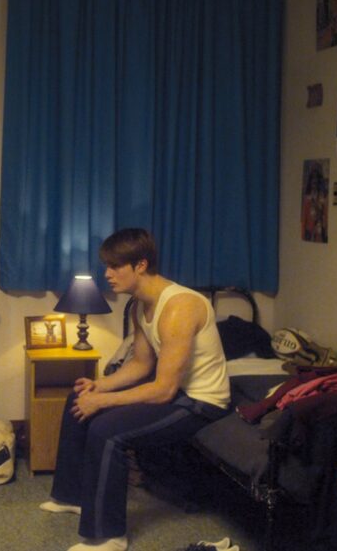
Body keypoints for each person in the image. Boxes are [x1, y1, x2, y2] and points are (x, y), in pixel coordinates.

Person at [40, 228, 230, 551]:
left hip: (201, 403)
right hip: (174, 392)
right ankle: (71, 496)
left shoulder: (180, 307)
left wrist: (103, 402)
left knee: (106, 431)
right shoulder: (139, 306)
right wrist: (99, 386)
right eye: (107, 266)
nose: (107, 274)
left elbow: (164, 390)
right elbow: (141, 364)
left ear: (140, 265)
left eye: (115, 266)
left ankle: (109, 536)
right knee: (79, 398)